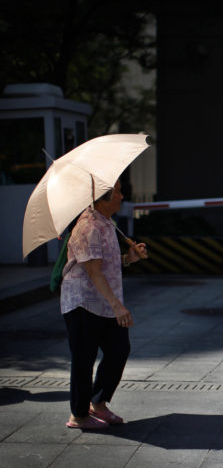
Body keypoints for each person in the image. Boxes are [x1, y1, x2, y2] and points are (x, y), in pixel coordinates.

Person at [60, 179, 147, 429]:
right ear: (101, 198)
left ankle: (98, 403)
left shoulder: (107, 223)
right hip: (83, 302)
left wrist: (128, 258)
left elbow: (106, 262)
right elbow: (93, 271)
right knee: (83, 358)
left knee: (119, 349)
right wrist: (118, 306)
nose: (121, 196)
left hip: (104, 300)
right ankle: (78, 415)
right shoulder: (88, 227)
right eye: (117, 192)